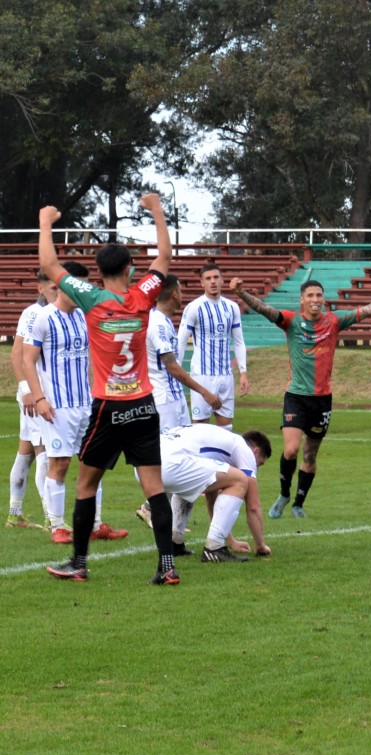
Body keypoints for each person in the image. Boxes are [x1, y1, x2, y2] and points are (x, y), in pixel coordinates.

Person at [40, 193, 182, 585]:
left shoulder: (90, 297)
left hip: (108, 406)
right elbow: (165, 258)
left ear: (99, 272)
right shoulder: (142, 295)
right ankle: (167, 566)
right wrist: (157, 212)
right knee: (154, 488)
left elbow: (49, 265)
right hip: (144, 404)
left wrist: (46, 221)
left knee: (86, 484)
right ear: (130, 268)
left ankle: (79, 563)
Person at [229, 276, 371, 518]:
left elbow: (370, 309)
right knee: (291, 450)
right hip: (296, 397)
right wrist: (242, 293)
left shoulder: (333, 321)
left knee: (310, 455)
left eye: (319, 295)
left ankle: (298, 504)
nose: (315, 299)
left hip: (322, 400)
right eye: (310, 295)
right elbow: (264, 309)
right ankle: (284, 494)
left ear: (323, 299)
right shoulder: (291, 321)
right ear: (302, 300)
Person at [22, 263, 128, 544]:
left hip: (86, 405)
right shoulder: (43, 317)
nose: (83, 290)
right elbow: (27, 360)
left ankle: (96, 524)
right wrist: (39, 397)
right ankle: (57, 526)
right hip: (57, 406)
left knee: (94, 464)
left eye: (86, 284)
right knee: (59, 464)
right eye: (78, 284)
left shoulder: (84, 316)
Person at [134, 272, 224, 528]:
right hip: (163, 401)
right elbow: (172, 366)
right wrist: (204, 391)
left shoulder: (161, 320)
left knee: (184, 455)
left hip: (173, 399)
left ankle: (163, 519)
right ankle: (153, 509)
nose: (182, 294)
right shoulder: (157, 324)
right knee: (171, 458)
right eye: (181, 290)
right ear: (174, 294)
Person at [157, 424, 273, 562]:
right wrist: (260, 545)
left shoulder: (219, 444)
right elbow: (253, 506)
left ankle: (174, 542)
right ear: (255, 451)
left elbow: (211, 497)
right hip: (171, 463)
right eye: (259, 464)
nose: (256, 468)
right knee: (241, 480)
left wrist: (231, 541)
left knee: (188, 482)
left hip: (150, 463)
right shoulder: (244, 450)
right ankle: (214, 549)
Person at [8, 277, 54, 529]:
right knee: (44, 452)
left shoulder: (53, 313)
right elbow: (17, 354)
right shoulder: (33, 313)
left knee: (25, 452)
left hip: (42, 394)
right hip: (35, 396)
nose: (58, 292)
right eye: (53, 287)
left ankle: (14, 513)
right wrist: (27, 391)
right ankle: (51, 517)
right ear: (41, 288)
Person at [177, 262, 248, 427]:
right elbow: (181, 341)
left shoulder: (232, 307)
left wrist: (243, 372)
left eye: (216, 277)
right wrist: (177, 371)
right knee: (201, 428)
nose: (213, 281)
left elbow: (238, 341)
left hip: (226, 376)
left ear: (222, 280)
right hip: (202, 376)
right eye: (208, 278)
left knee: (226, 429)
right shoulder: (194, 307)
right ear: (202, 283)